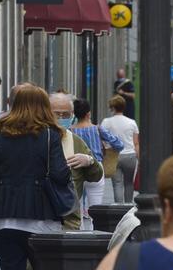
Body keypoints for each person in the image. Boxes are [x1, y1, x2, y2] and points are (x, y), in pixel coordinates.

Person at [0, 84, 71, 270]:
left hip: (4, 219)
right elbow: (60, 174)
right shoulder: (50, 135)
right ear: (43, 107)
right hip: (43, 218)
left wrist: (3, 195)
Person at [49, 93, 102, 231]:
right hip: (42, 220)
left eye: (65, 115)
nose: (61, 118)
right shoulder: (36, 138)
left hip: (69, 222)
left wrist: (89, 161)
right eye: (56, 114)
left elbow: (96, 176)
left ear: (72, 115)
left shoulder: (75, 141)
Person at [71, 99, 123, 227]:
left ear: (74, 114)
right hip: (95, 168)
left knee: (77, 205)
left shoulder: (69, 131)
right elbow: (119, 144)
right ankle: (94, 233)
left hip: (75, 167)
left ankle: (79, 235)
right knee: (95, 207)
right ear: (88, 114)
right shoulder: (97, 129)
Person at [101, 95, 139, 203]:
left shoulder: (106, 122)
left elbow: (103, 139)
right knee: (128, 183)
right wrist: (138, 157)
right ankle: (128, 206)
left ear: (112, 107)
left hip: (114, 155)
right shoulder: (132, 122)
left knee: (117, 183)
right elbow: (136, 142)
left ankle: (118, 207)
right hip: (130, 156)